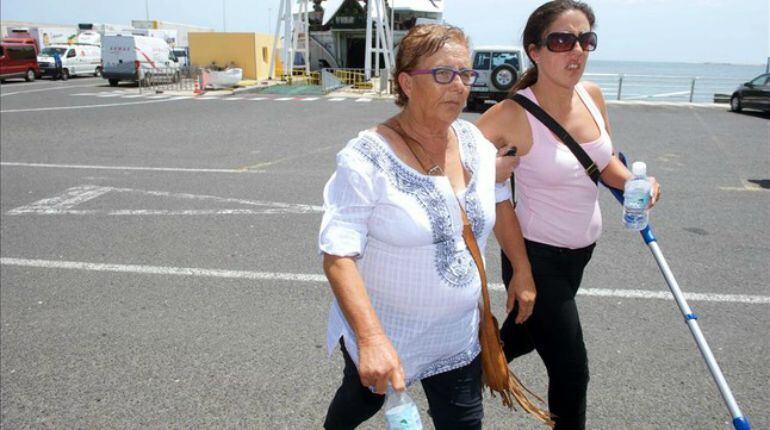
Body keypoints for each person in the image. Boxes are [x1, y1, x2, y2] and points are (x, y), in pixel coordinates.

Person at [319, 24, 524, 429]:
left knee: (464, 423)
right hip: (386, 329)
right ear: (407, 83)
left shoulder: (476, 145)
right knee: (358, 402)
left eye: (465, 74)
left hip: (456, 335)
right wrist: (372, 340)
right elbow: (338, 254)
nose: (460, 86)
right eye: (444, 74)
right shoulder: (367, 157)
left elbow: (498, 198)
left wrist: (523, 269)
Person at [476, 1, 661, 429]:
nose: (576, 50)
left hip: (581, 253)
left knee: (523, 332)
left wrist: (638, 185)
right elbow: (455, 164)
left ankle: (468, 366)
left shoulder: (592, 96)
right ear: (535, 50)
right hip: (537, 258)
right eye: (562, 40)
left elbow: (604, 163)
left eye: (586, 39)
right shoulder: (511, 114)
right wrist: (520, 271)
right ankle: (460, 379)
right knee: (571, 371)